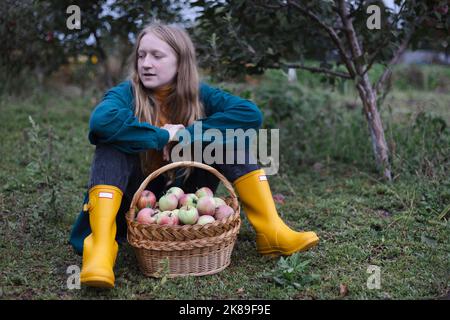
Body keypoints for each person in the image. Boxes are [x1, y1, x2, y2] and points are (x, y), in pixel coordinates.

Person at [69, 22, 319, 288]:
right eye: (141, 55)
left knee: (231, 137)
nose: (146, 63)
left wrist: (188, 134)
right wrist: (162, 136)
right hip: (137, 201)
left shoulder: (201, 94)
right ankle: (101, 247)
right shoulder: (127, 93)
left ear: (180, 61)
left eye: (157, 55)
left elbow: (250, 115)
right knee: (111, 143)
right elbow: (101, 122)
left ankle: (272, 230)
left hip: (189, 197)